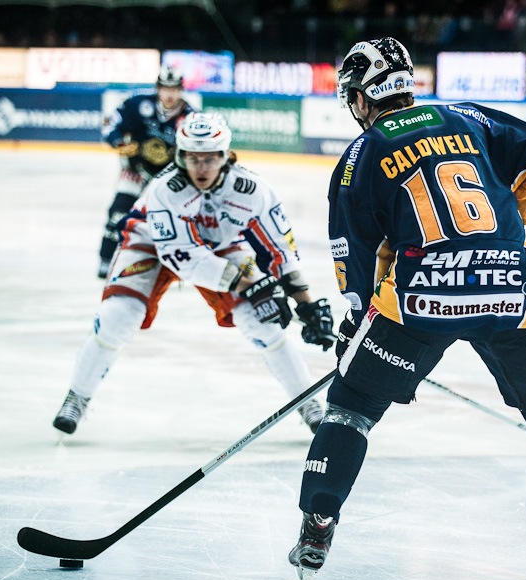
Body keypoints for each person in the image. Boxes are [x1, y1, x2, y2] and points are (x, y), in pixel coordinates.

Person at [287, 37, 526, 580]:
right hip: (513, 290)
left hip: (419, 304)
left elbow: (353, 248)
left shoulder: (360, 155)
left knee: (351, 409)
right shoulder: (467, 116)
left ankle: (317, 523)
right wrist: (505, 227)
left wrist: (356, 318)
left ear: (364, 95)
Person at [53, 113, 335, 436]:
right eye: (193, 158)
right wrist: (253, 285)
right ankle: (78, 396)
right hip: (151, 241)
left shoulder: (254, 191)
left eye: (210, 159)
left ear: (226, 156)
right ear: (180, 157)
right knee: (119, 314)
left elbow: (281, 250)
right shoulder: (164, 191)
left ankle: (308, 403)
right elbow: (183, 257)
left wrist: (307, 305)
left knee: (264, 321)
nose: (201, 168)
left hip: (221, 245)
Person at [97, 66, 194, 279]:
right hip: (136, 170)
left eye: (174, 89)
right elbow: (109, 124)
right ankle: (106, 258)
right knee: (118, 212)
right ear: (158, 89)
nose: (170, 94)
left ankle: (179, 262)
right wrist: (118, 142)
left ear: (180, 90)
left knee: (177, 218)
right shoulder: (138, 105)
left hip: (169, 178)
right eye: (165, 89)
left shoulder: (190, 117)